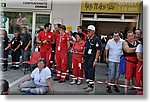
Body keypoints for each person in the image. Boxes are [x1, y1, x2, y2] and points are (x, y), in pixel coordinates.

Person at [83, 25, 101, 92]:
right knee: (86, 71)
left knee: (91, 72)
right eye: (87, 31)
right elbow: (85, 47)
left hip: (92, 57)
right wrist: (83, 56)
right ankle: (88, 84)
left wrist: (95, 60)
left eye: (89, 31)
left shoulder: (96, 39)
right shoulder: (88, 38)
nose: (88, 32)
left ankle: (91, 86)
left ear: (93, 31)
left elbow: (98, 51)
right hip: (87, 57)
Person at [122, 30, 140, 94]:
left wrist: (137, 48)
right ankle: (125, 91)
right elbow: (128, 50)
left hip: (137, 61)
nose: (131, 37)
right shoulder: (125, 42)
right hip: (128, 61)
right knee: (127, 77)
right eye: (129, 36)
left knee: (136, 77)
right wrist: (137, 48)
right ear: (127, 36)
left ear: (134, 35)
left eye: (132, 35)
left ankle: (137, 90)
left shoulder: (138, 42)